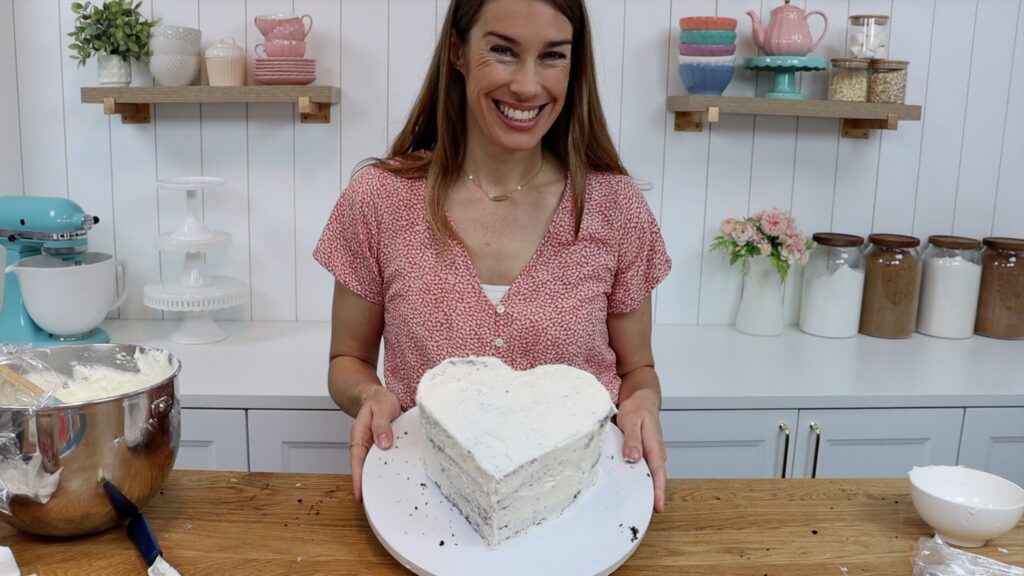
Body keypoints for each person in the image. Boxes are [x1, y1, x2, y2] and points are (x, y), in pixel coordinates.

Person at [314, 0, 672, 513]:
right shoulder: (378, 200)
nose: (527, 86)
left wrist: (642, 404)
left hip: (581, 511)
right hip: (426, 506)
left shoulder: (614, 206)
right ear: (458, 51)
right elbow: (346, 361)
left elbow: (638, 369)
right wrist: (370, 398)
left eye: (553, 56)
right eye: (503, 50)